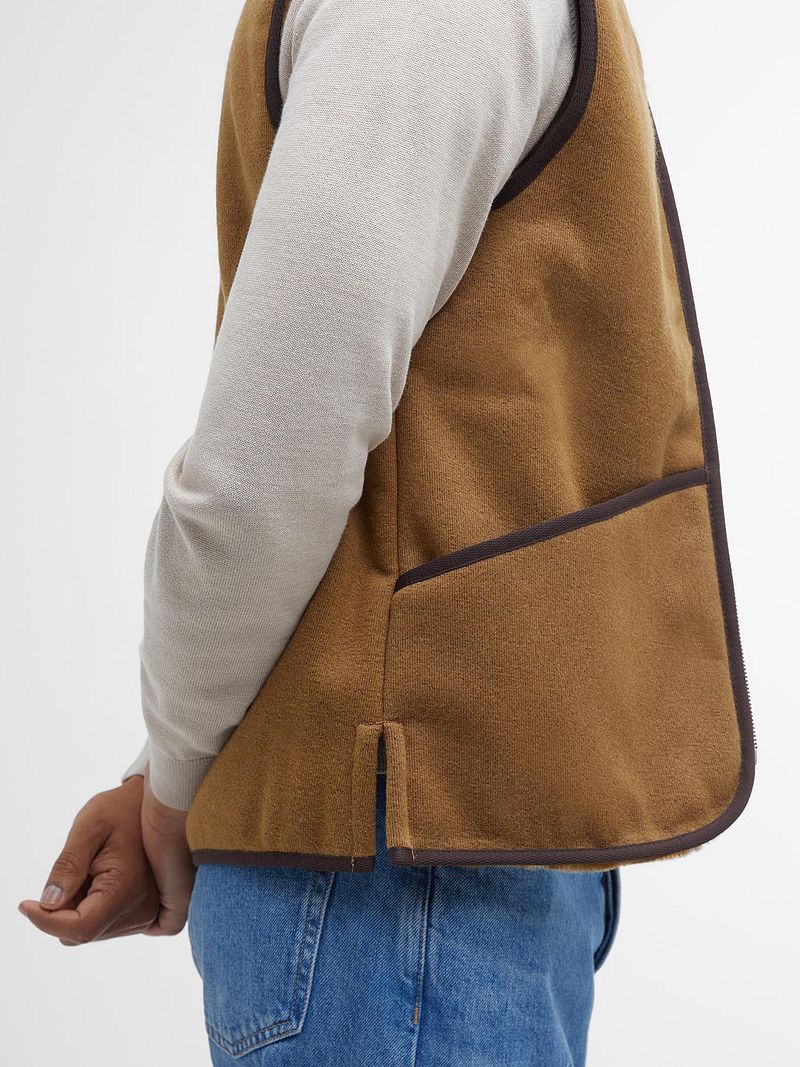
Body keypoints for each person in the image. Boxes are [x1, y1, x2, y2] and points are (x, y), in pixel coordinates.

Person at [19, 1, 755, 1064]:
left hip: (403, 863)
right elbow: (286, 465)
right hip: (407, 857)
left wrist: (173, 772)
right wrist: (164, 773)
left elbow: (269, 467)